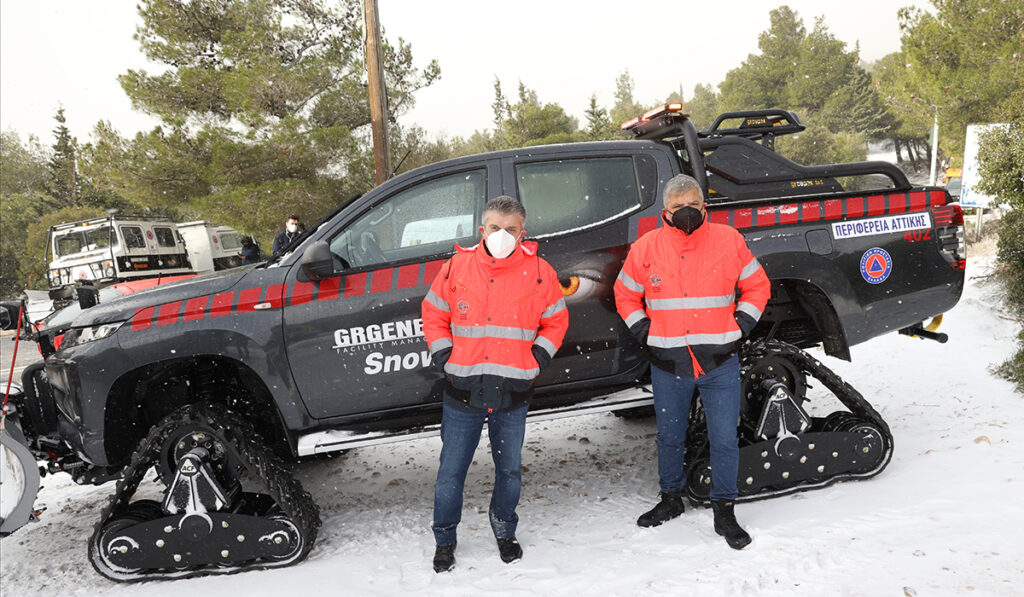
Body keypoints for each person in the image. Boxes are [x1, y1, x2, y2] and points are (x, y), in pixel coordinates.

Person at [614, 174, 770, 550]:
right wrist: (645, 332)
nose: (686, 212)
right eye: (678, 207)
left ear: (704, 206)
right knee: (669, 436)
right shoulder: (646, 247)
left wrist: (740, 325)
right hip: (669, 363)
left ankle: (724, 509)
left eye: (692, 205)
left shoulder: (728, 240)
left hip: (719, 361)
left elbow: (757, 286)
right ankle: (671, 499)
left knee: (724, 438)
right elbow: (625, 294)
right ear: (665, 211)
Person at [421, 196, 569, 572]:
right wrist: (444, 355)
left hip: (513, 391)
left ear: (523, 233)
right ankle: (444, 539)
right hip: (462, 389)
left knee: (509, 471)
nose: (502, 234)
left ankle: (505, 530)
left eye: (510, 229)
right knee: (451, 471)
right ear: (481, 230)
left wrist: (537, 358)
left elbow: (556, 320)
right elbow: (433, 312)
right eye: (494, 227)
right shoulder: (456, 267)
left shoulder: (540, 271)